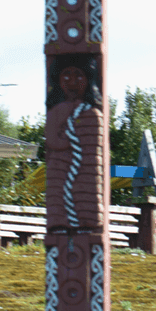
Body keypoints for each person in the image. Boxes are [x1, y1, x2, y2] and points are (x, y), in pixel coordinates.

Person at [45, 59, 105, 229]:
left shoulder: (91, 114)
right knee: (58, 197)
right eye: (66, 75)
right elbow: (52, 141)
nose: (71, 82)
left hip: (86, 177)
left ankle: (85, 220)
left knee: (87, 197)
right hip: (59, 175)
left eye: (78, 76)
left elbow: (92, 149)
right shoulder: (57, 112)